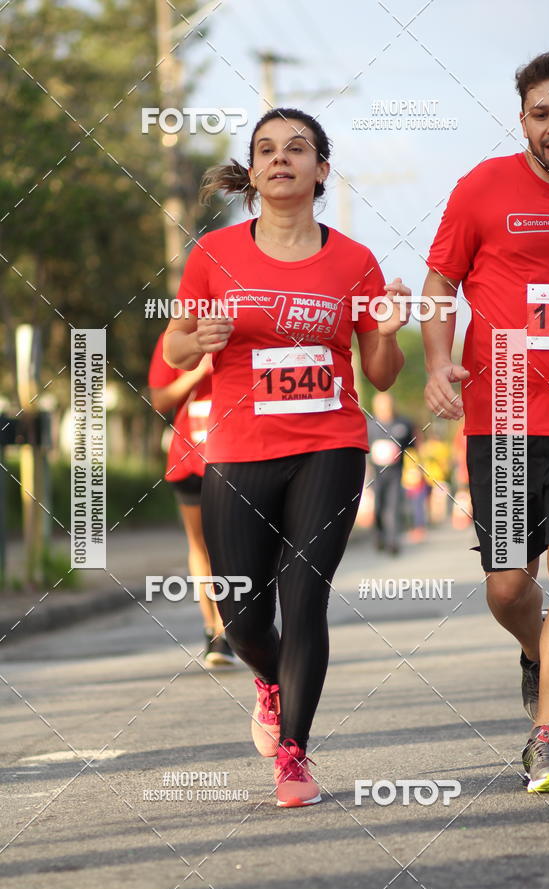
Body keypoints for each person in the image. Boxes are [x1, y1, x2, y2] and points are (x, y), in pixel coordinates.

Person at [164, 107, 411, 807]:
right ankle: (268, 680)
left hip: (328, 445)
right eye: (266, 149)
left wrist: (388, 332)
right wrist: (198, 339)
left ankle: (296, 755)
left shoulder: (355, 261)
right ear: (254, 170)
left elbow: (383, 374)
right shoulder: (214, 255)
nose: (281, 159)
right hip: (239, 448)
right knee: (243, 615)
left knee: (304, 598)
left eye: (296, 149)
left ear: (319, 170)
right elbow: (175, 348)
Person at [422, 49, 549, 793]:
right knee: (505, 586)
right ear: (522, 117)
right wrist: (436, 362)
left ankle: (547, 736)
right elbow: (438, 282)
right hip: (502, 417)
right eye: (542, 113)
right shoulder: (483, 187)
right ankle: (538, 650)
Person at [148, 331, 234, 667]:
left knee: (232, 543)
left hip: (238, 455)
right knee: (201, 545)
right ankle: (215, 632)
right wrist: (198, 372)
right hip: (190, 457)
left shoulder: (244, 327)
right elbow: (159, 399)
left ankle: (239, 627)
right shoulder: (175, 338)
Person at [368, 391, 414, 554]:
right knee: (379, 506)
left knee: (394, 505)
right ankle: (379, 537)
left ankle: (393, 542)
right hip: (376, 474)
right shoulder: (370, 425)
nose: (385, 408)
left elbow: (413, 447)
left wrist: (414, 469)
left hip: (396, 473)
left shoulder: (403, 424)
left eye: (387, 404)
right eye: (381, 405)